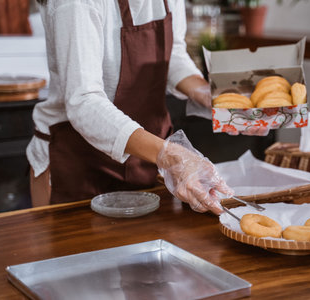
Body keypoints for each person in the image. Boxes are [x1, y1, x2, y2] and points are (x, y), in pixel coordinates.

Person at [27, 0, 234, 214]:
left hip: (146, 161)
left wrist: (206, 94)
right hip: (77, 163)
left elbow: (174, 54)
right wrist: (170, 155)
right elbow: (84, 101)